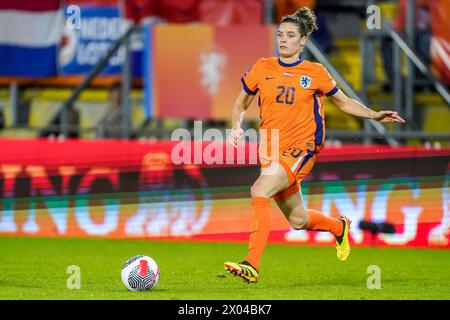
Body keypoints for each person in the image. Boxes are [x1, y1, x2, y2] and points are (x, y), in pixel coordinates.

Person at [224, 7, 405, 283]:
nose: (283, 40)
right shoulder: (262, 67)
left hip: (302, 147)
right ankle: (339, 227)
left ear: (303, 40)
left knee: (259, 189)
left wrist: (373, 114)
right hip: (270, 149)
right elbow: (240, 103)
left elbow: (343, 101)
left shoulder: (315, 72)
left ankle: (251, 264)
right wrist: (236, 125)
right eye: (280, 34)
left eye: (290, 35)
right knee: (297, 220)